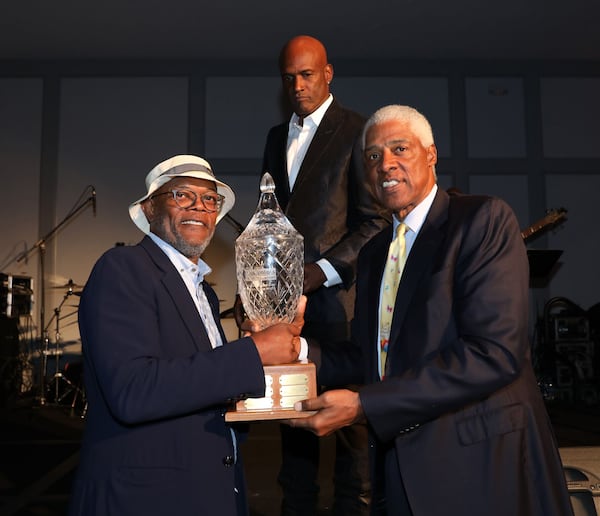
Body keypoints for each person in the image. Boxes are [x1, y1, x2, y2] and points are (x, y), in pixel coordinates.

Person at [289, 105, 574, 515]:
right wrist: (296, 351)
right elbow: (369, 356)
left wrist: (365, 405)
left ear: (431, 154)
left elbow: (493, 354)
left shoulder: (481, 220)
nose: (385, 164)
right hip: (401, 468)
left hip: (481, 466)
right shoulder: (372, 253)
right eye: (372, 156)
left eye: (399, 149)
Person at [68, 155, 306, 516]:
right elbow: (134, 391)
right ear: (149, 209)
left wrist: (276, 388)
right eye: (182, 195)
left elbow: (202, 388)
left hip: (206, 494)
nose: (199, 206)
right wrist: (253, 352)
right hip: (144, 501)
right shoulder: (124, 268)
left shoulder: (204, 293)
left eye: (210, 199)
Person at [238, 35, 389, 515]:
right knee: (293, 428)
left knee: (352, 441)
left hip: (341, 305)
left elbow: (376, 222)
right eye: (289, 78)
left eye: (307, 75)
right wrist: (261, 290)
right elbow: (270, 222)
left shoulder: (360, 131)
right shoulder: (272, 137)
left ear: (328, 73)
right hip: (286, 310)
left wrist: (317, 274)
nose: (298, 86)